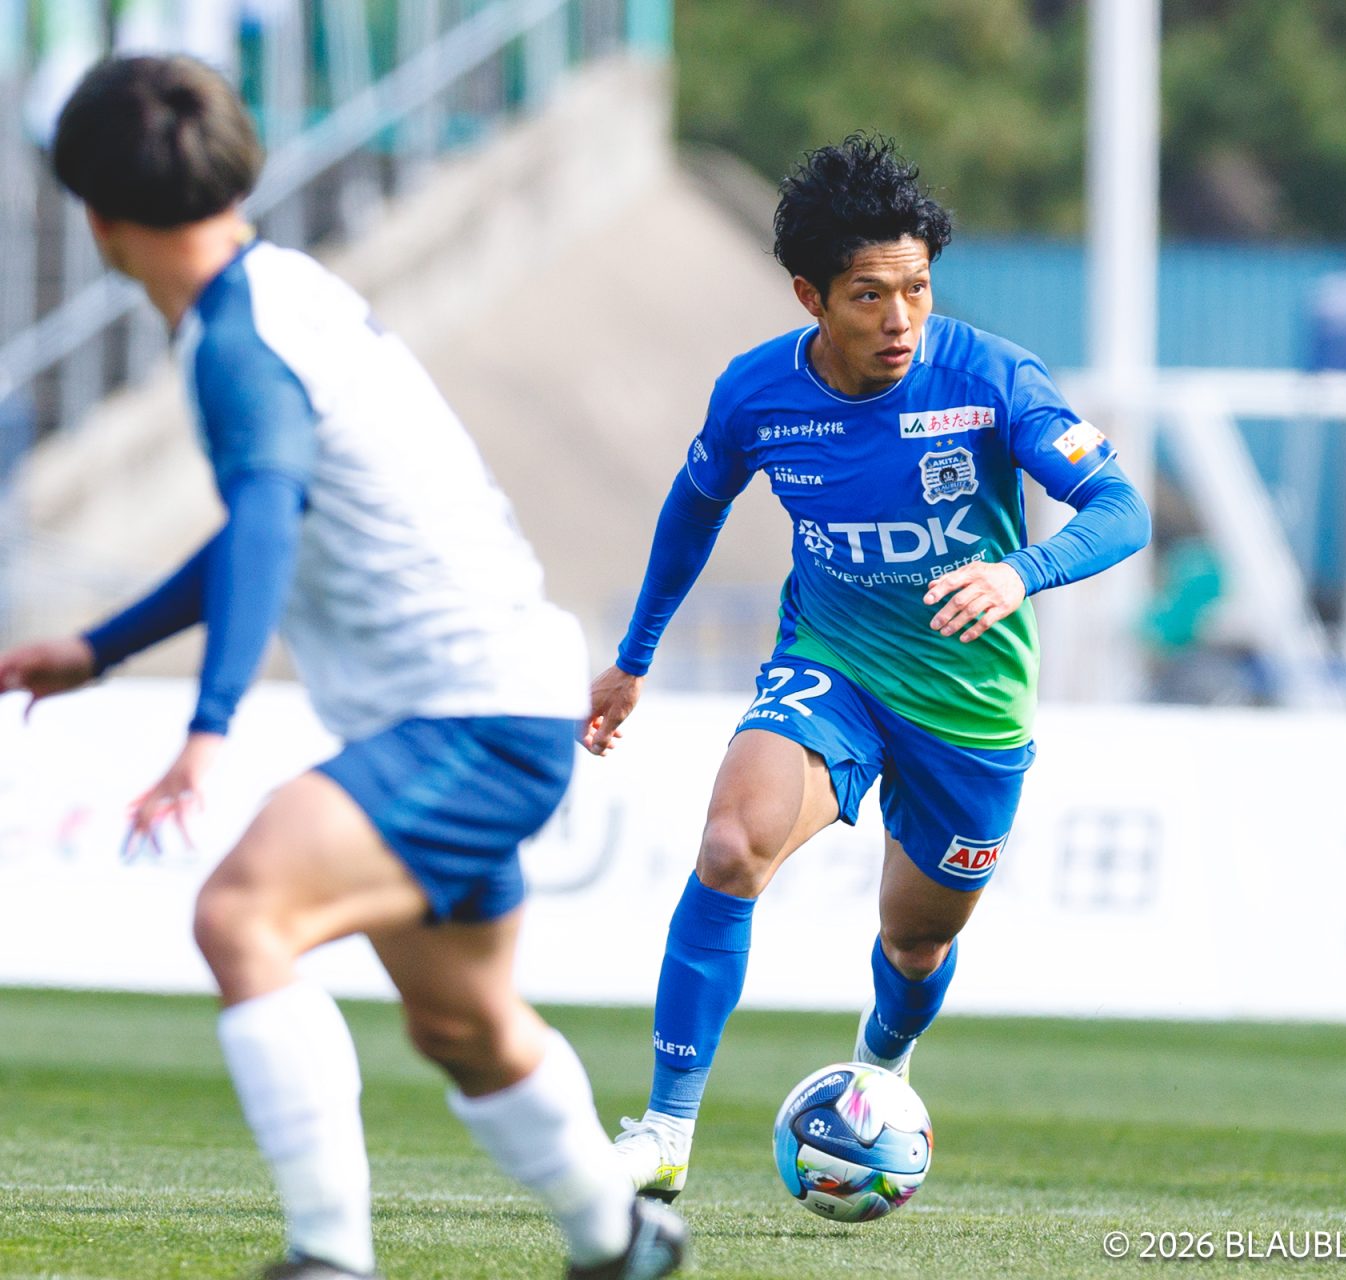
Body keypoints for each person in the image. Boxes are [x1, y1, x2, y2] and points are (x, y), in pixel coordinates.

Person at [0, 56, 684, 1279]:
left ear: (96, 220)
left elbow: (266, 511)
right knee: (466, 1022)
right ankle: (621, 1241)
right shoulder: (285, 293)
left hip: (469, 715)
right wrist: (101, 649)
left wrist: (207, 726)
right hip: (494, 699)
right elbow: (277, 513)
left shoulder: (235, 340)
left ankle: (328, 1257)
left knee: (241, 915)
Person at [583, 134, 1150, 1199]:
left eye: (917, 289)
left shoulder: (990, 377)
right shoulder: (756, 394)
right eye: (869, 296)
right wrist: (633, 658)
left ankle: (880, 1067)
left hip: (970, 707)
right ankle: (663, 1132)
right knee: (731, 846)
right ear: (811, 296)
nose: (901, 320)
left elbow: (1122, 508)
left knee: (916, 944)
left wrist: (1020, 573)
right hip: (830, 667)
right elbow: (694, 508)